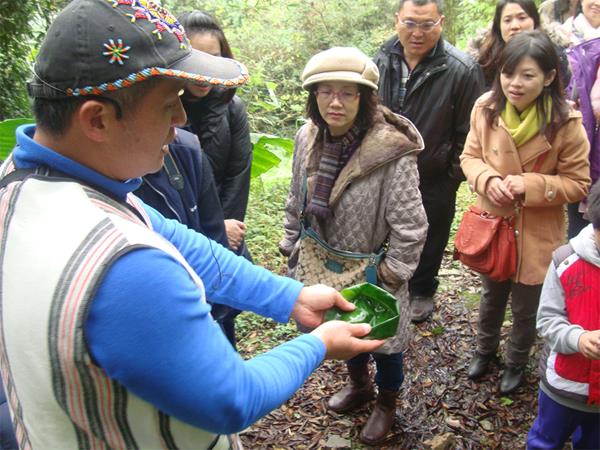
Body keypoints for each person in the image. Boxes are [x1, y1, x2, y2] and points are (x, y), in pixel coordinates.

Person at [0, 1, 384, 448]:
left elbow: (181, 241)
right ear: (97, 119)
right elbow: (230, 400)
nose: (181, 121)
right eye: (168, 105)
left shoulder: (21, 185)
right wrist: (318, 343)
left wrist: (290, 296)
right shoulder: (128, 269)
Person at [461, 30, 591, 395]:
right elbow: (469, 157)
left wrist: (529, 185)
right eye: (508, 73)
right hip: (494, 223)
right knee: (491, 296)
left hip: (537, 230)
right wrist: (488, 179)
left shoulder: (566, 123)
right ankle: (484, 351)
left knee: (526, 306)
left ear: (549, 77)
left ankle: (517, 361)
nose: (515, 84)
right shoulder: (485, 109)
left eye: (528, 75)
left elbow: (578, 183)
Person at [374, 0, 485, 322]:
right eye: (410, 23)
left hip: (434, 174)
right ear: (397, 21)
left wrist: (452, 173)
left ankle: (422, 289)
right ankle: (386, 282)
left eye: (427, 24)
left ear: (441, 22)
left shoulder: (461, 69)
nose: (418, 33)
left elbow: (471, 129)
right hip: (384, 168)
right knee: (383, 228)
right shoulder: (381, 59)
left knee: (430, 233)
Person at [135, 128, 240, 346]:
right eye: (164, 105)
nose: (180, 117)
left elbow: (207, 246)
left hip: (203, 306)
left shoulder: (184, 150)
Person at [526, 180, 600, 450]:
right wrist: (578, 339)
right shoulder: (565, 261)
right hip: (563, 386)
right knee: (545, 440)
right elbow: (547, 320)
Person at [178, 11, 253, 260]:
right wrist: (211, 229)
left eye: (214, 58)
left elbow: (238, 174)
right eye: (196, 58)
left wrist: (223, 230)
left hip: (226, 229)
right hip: (179, 233)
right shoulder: (162, 108)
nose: (206, 69)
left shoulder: (232, 107)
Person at [469, 0, 570, 88]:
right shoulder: (484, 60)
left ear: (534, 21)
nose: (515, 26)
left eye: (522, 18)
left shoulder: (554, 55)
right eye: (507, 20)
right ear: (499, 26)